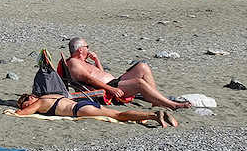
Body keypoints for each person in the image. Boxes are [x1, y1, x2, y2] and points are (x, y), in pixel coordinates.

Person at [62, 38, 192, 110]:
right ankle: (171, 104)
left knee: (142, 67)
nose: (89, 49)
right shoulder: (74, 63)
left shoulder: (84, 61)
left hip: (112, 83)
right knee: (139, 83)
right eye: (87, 46)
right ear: (80, 49)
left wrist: (97, 60)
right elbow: (89, 79)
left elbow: (101, 73)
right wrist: (111, 89)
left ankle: (157, 101)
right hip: (106, 89)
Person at [14, 93, 178, 126]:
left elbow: (21, 114)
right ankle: (158, 116)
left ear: (30, 99)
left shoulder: (39, 102)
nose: (27, 106)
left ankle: (154, 116)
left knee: (118, 115)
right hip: (84, 103)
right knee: (115, 113)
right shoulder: (51, 95)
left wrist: (19, 110)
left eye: (25, 103)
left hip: (79, 110)